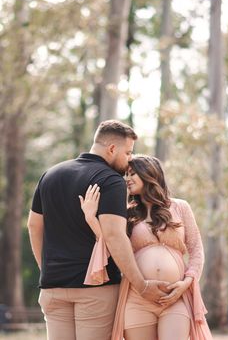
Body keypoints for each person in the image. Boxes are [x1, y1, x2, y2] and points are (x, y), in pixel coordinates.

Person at [27, 120, 168, 340]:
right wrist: (141, 285)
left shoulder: (50, 174)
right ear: (112, 149)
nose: (130, 159)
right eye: (128, 152)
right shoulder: (111, 181)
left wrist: (46, 269)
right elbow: (114, 236)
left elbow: (34, 226)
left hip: (52, 287)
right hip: (95, 289)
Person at [80, 155, 213, 340]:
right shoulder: (125, 212)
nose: (127, 179)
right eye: (126, 174)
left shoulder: (180, 207)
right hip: (137, 298)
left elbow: (197, 250)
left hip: (175, 298)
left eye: (132, 173)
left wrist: (187, 283)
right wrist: (91, 218)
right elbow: (111, 244)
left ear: (149, 173)